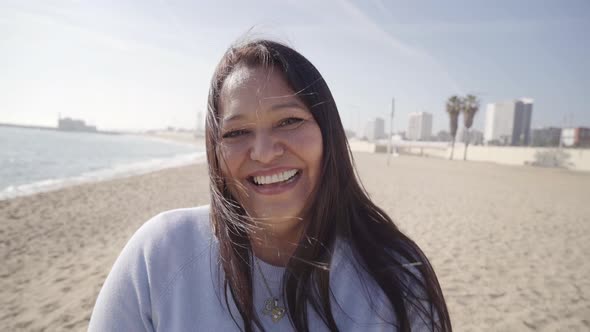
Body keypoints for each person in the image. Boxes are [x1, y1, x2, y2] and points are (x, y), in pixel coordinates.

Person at [89, 39, 451, 332]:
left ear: (328, 134)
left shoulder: (396, 278)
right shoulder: (158, 256)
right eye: (237, 132)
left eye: (289, 121)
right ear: (215, 152)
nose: (263, 153)